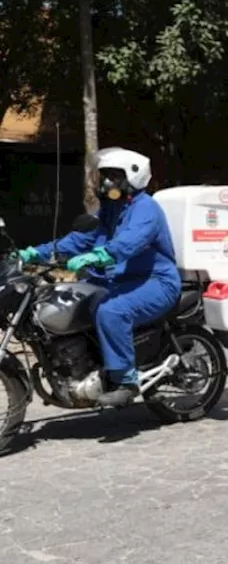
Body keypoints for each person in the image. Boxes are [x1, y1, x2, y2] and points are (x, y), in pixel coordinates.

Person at [14, 147, 179, 407]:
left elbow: (129, 242)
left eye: (113, 175)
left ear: (133, 175)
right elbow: (79, 240)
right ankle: (86, 366)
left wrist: (96, 257)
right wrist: (36, 252)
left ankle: (126, 381)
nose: (106, 182)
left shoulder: (146, 209)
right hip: (116, 280)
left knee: (111, 312)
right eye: (104, 176)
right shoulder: (110, 209)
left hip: (155, 281)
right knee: (67, 300)